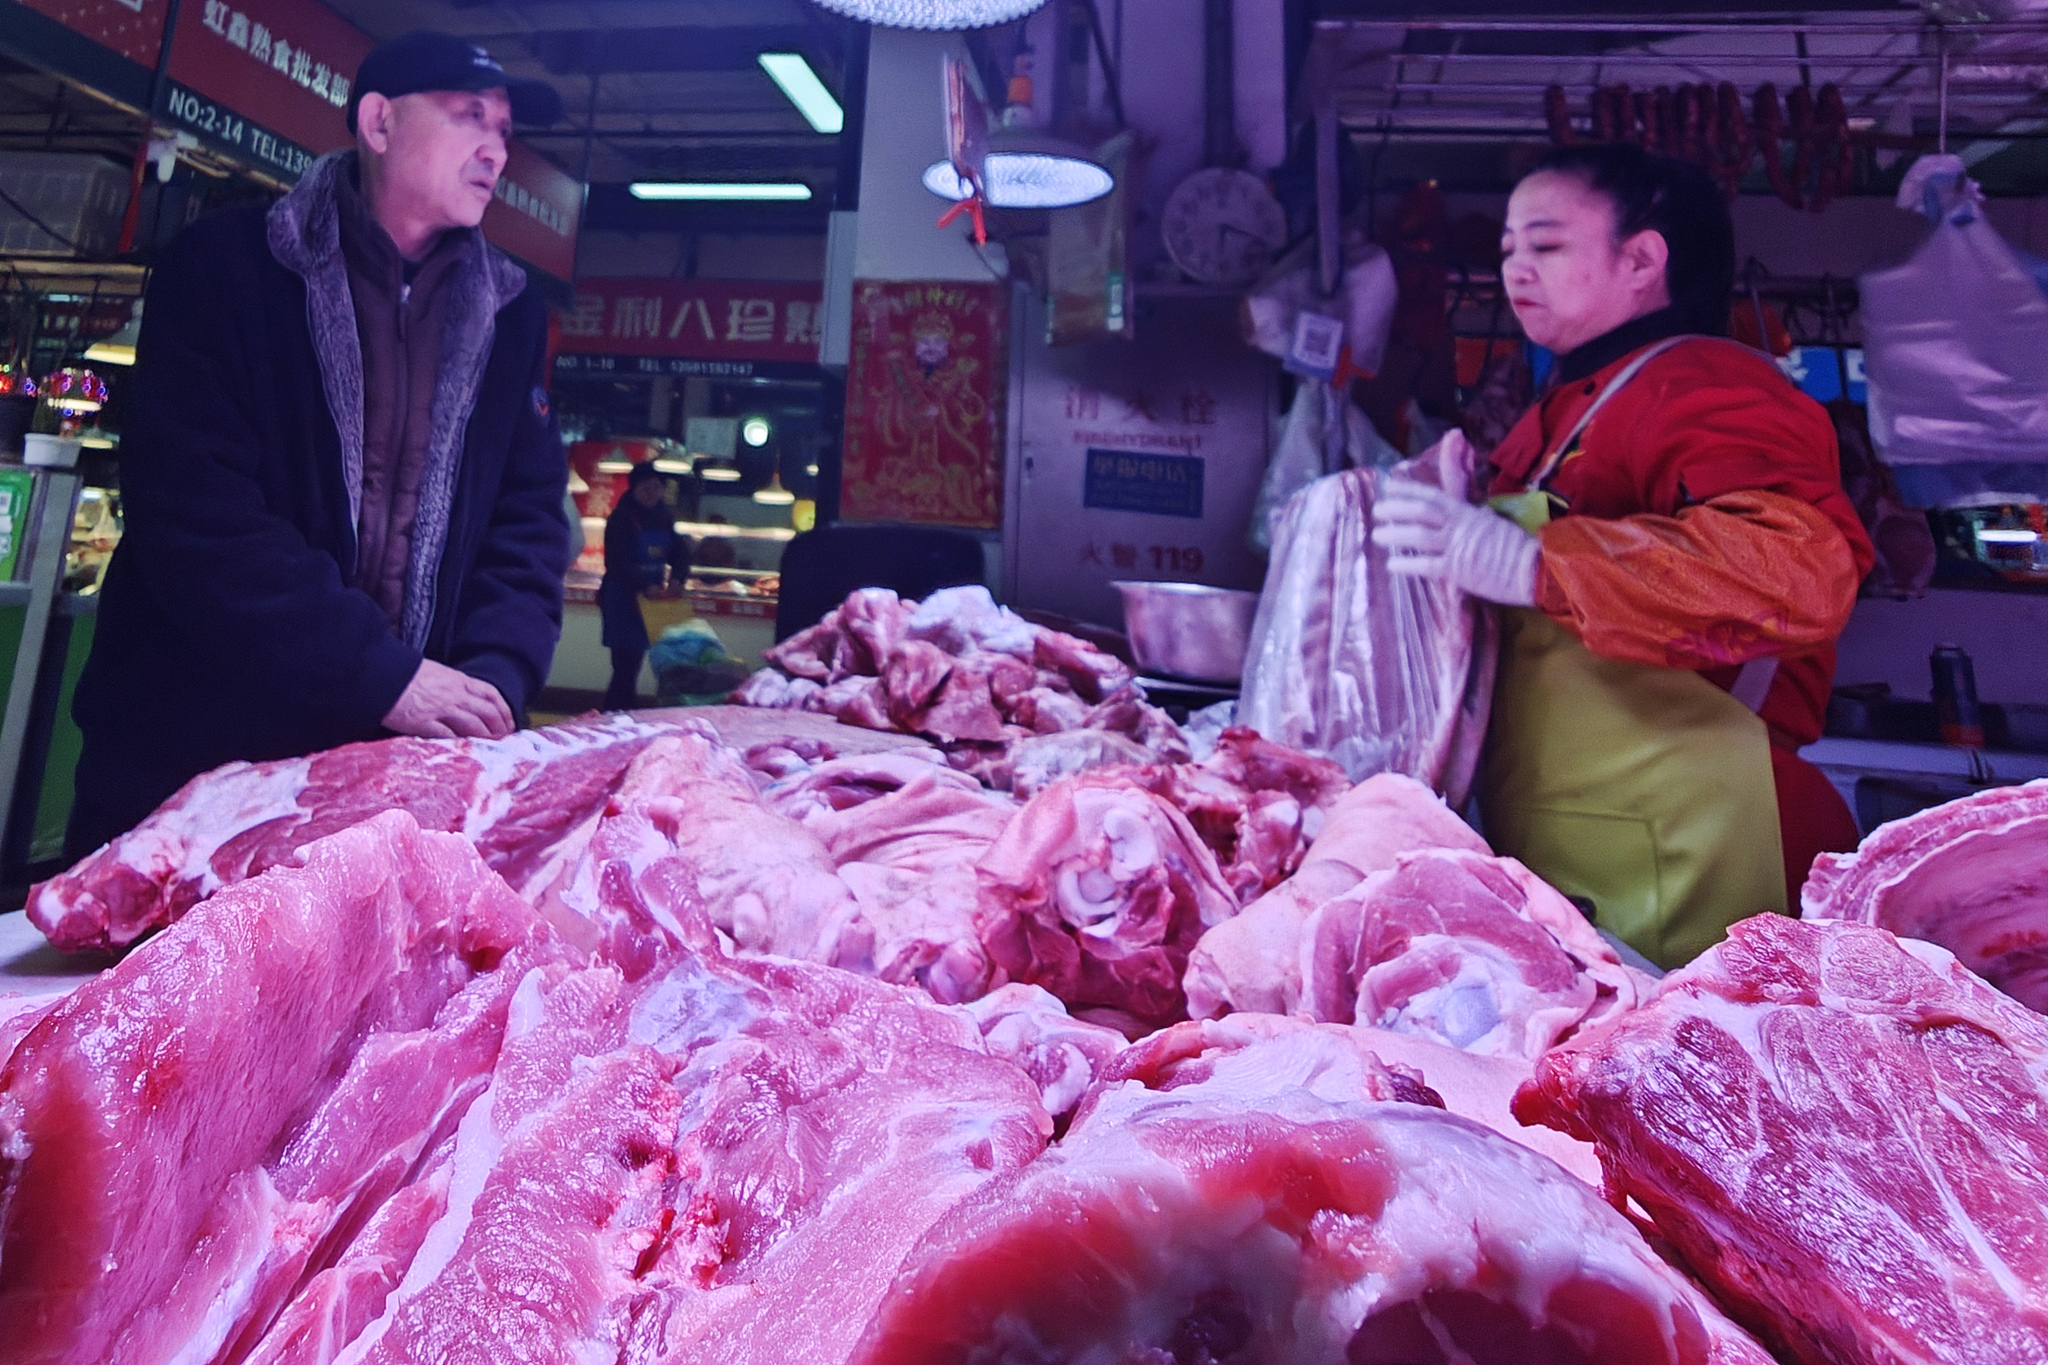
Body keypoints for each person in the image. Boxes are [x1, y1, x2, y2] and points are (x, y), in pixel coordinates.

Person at [66, 32, 570, 857]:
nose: (495, 150)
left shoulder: (511, 315)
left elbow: (528, 527)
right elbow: (195, 514)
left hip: (387, 782)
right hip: (184, 761)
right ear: (379, 123)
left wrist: (492, 685)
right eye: (470, 117)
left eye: (506, 130)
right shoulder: (228, 268)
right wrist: (382, 673)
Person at [1372, 143, 1874, 969]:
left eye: (1547, 244)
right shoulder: (1565, 410)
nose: (1516, 269)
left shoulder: (1708, 384)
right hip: (1582, 843)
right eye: (1507, 249)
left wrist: (1541, 565)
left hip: (1700, 850)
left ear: (1642, 260)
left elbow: (1801, 568)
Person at [599, 462, 691, 710]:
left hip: (650, 604)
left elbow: (680, 554)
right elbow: (615, 561)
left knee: (634, 663)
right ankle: (616, 715)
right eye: (646, 488)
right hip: (621, 599)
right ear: (634, 489)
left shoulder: (663, 518)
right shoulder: (620, 518)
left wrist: (677, 579)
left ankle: (620, 714)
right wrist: (643, 585)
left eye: (656, 488)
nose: (652, 493)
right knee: (624, 665)